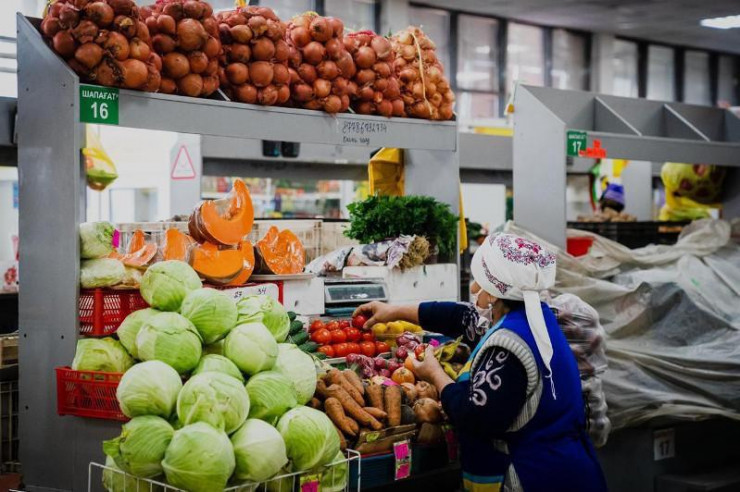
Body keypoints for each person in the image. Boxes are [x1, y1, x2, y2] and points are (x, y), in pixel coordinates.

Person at [354, 233, 608, 492]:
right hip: (567, 468)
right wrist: (392, 310)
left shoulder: (508, 344)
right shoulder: (535, 319)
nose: (474, 289)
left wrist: (436, 375)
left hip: (533, 477)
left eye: (480, 281)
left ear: (495, 293)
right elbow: (459, 317)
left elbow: (473, 416)